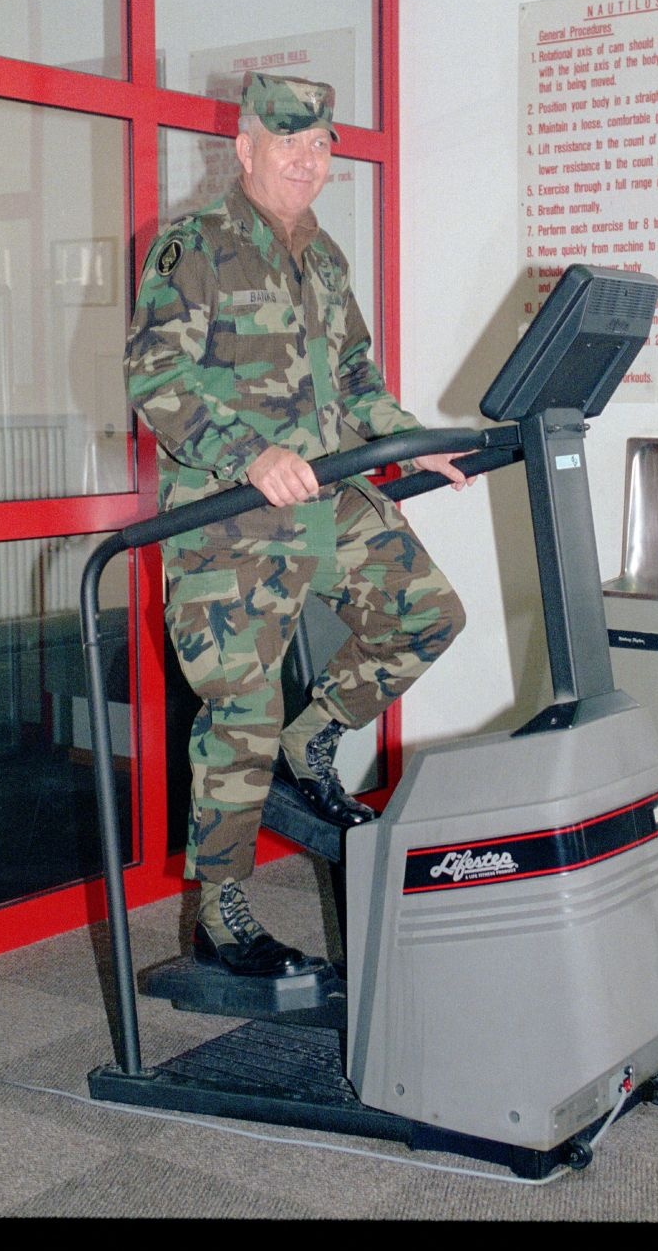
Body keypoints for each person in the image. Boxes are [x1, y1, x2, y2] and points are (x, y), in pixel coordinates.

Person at [124, 72, 471, 984]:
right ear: (245, 150)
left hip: (326, 498)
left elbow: (355, 377)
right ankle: (219, 913)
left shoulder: (323, 256)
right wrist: (247, 454)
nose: (310, 165)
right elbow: (156, 379)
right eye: (291, 148)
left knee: (427, 612)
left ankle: (311, 735)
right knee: (238, 713)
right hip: (229, 522)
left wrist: (409, 438)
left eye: (321, 148)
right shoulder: (192, 246)